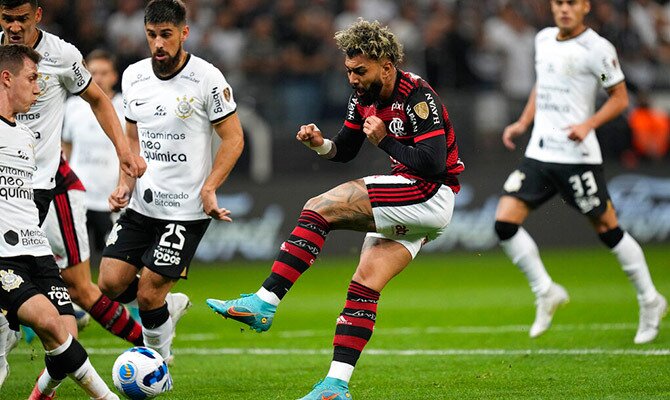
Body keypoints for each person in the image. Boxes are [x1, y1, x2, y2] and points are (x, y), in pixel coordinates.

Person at [207, 19, 464, 399]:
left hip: (430, 190)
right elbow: (344, 150)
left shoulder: (417, 96)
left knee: (318, 209)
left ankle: (264, 302)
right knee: (364, 286)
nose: (353, 79)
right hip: (418, 202)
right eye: (348, 70)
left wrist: (386, 142)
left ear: (386, 66)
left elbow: (433, 162)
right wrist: (319, 144)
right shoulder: (363, 98)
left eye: (360, 71)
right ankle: (335, 386)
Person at [494, 0, 667, 343]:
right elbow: (541, 85)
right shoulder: (543, 39)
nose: (564, 9)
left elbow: (619, 98)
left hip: (577, 156)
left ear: (585, 6)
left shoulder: (597, 49)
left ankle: (650, 299)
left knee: (607, 228)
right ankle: (545, 290)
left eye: (571, 3)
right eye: (558, 3)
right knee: (504, 223)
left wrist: (589, 124)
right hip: (541, 152)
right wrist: (523, 122)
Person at [97, 0, 244, 367]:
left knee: (147, 294)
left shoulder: (206, 78)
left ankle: (159, 368)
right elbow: (132, 138)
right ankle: (168, 306)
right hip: (143, 203)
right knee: (110, 284)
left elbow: (234, 138)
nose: (158, 43)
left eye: (166, 35)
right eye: (151, 35)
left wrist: (210, 187)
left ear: (183, 33)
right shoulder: (133, 76)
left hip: (187, 209)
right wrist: (125, 183)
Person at [0, 43, 118, 399]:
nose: (39, 88)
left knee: (64, 332)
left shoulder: (23, 137)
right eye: (33, 79)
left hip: (37, 253)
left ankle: (39, 392)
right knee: (50, 324)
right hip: (4, 255)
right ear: (7, 79)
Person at [61, 49, 122, 267]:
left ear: (114, 76)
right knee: (73, 262)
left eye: (104, 73)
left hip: (112, 200)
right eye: (93, 72)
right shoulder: (73, 106)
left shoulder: (126, 108)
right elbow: (65, 145)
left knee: (115, 265)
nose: (98, 78)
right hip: (78, 197)